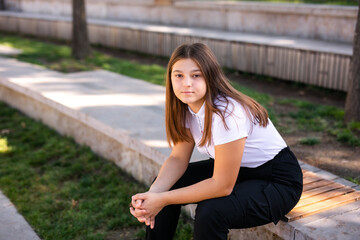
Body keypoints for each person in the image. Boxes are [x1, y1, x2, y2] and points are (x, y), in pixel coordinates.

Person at [129, 43, 303, 240]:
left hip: (277, 181)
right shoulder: (185, 107)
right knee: (165, 184)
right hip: (240, 171)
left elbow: (222, 185)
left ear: (210, 76)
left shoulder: (227, 113)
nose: (186, 83)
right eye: (179, 75)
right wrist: (151, 197)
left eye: (196, 75)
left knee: (211, 212)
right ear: (170, 78)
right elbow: (178, 158)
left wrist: (162, 199)